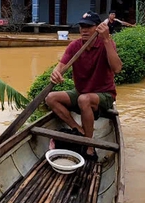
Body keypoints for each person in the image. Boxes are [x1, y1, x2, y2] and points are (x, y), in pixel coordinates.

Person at [45, 11, 123, 160]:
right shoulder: (75, 46)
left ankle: (89, 146)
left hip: (104, 94)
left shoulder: (105, 44)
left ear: (97, 28)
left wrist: (106, 39)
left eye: (88, 27)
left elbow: (117, 68)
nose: (84, 30)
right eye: (82, 27)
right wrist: (56, 73)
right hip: (81, 92)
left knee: (84, 100)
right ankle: (78, 129)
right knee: (50, 98)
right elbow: (61, 65)